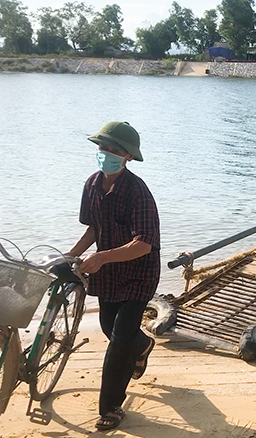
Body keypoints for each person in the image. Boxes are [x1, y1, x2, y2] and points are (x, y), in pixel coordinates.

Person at [67, 121, 161, 431]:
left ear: (128, 157)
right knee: (110, 327)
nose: (106, 154)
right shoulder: (92, 185)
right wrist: (71, 255)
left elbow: (143, 244)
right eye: (102, 149)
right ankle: (142, 345)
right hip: (107, 272)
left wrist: (100, 257)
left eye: (114, 151)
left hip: (138, 273)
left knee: (119, 340)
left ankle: (111, 407)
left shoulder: (138, 192)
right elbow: (94, 228)